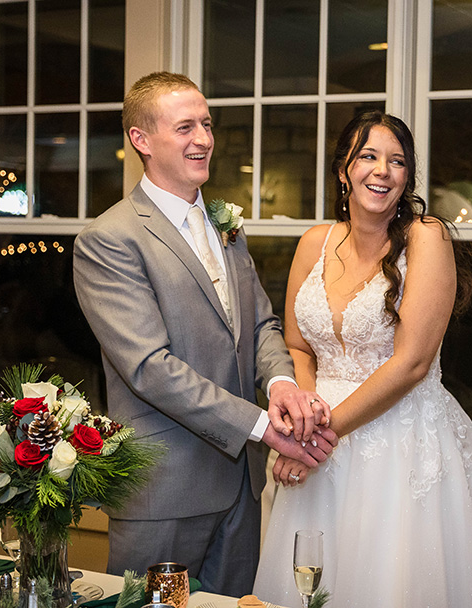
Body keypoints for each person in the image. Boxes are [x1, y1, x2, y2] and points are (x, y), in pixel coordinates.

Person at [73, 72, 337, 596]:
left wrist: (282, 383)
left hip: (240, 486)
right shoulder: (109, 239)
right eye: (185, 127)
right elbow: (151, 368)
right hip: (165, 490)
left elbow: (260, 322)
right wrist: (264, 426)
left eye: (208, 124)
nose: (203, 139)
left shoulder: (224, 226)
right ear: (141, 140)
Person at [253, 111, 472, 607]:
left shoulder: (427, 237)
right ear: (343, 170)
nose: (383, 170)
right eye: (369, 156)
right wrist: (303, 421)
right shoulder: (316, 241)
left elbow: (413, 363)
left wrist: (319, 438)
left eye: (397, 161)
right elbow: (297, 344)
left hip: (399, 446)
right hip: (316, 444)